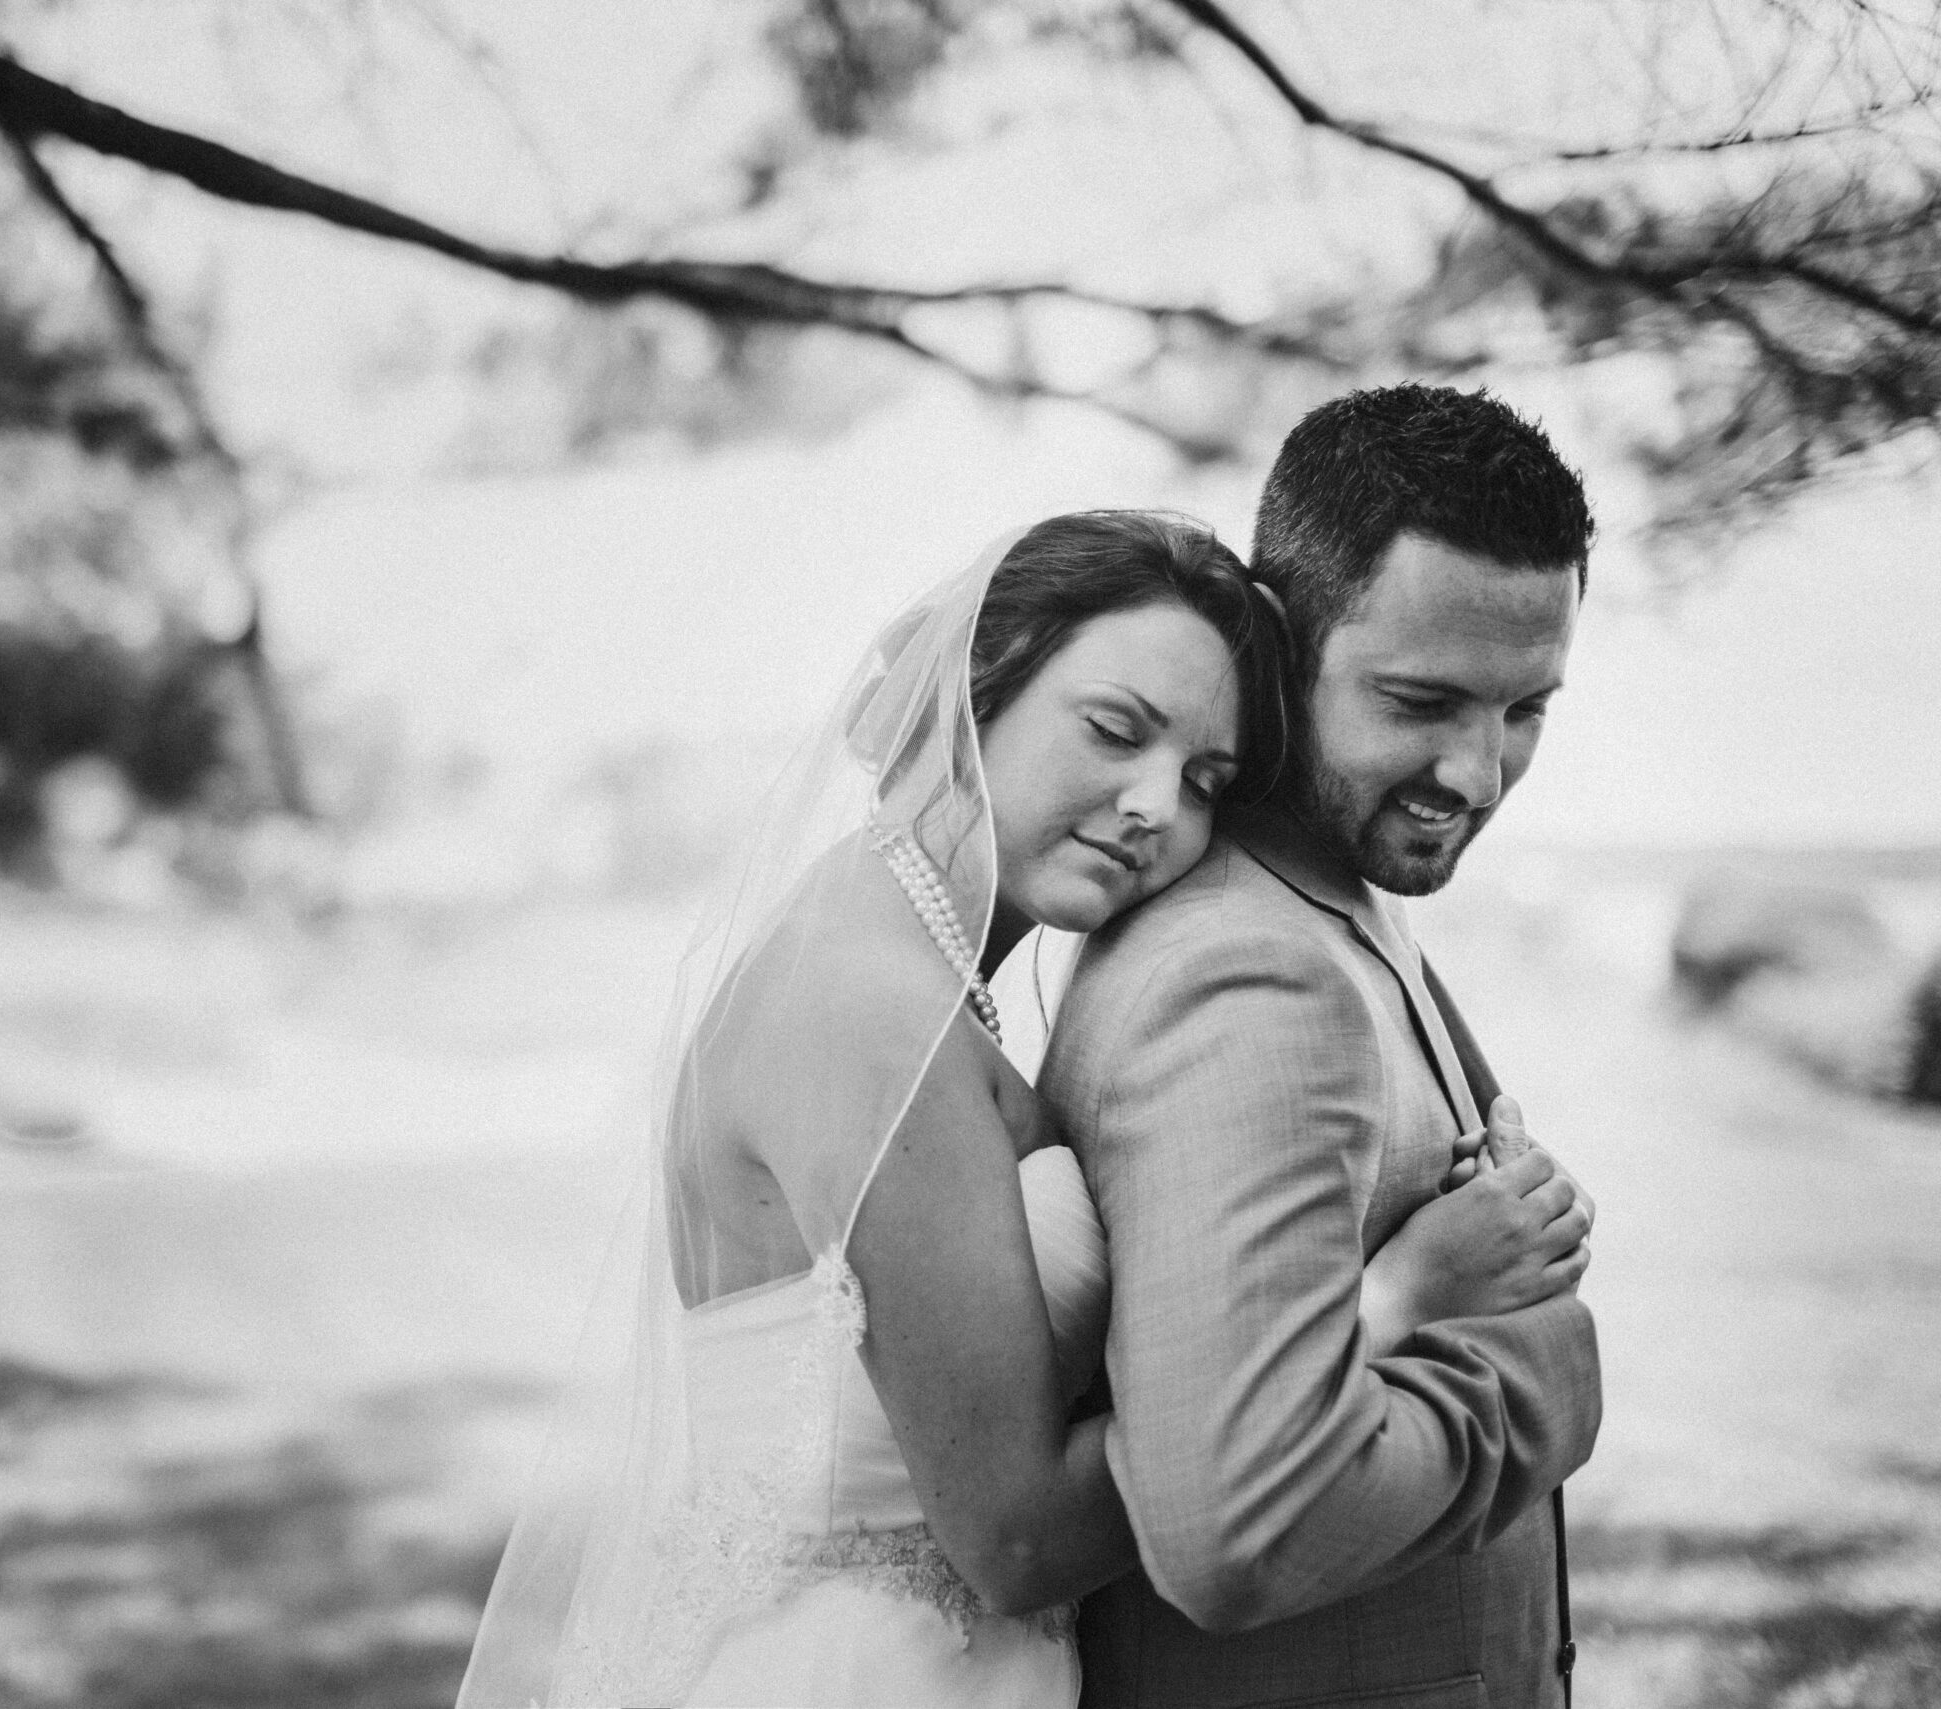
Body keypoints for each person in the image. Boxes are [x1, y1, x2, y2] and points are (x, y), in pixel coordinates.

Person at [457, 509, 1591, 1708]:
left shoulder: (913, 966)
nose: (1156, 804)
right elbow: (1012, 1538)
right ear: (975, 687)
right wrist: (1394, 1297)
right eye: (1115, 729)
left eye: (1206, 779)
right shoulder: (864, 1010)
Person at [1043, 385, 1605, 1709]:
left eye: (1526, 710)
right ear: (1277, 642)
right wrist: (1547, 1365)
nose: (1476, 772)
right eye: (1423, 700)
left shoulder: (1339, 895)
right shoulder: (1247, 976)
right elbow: (1243, 1528)